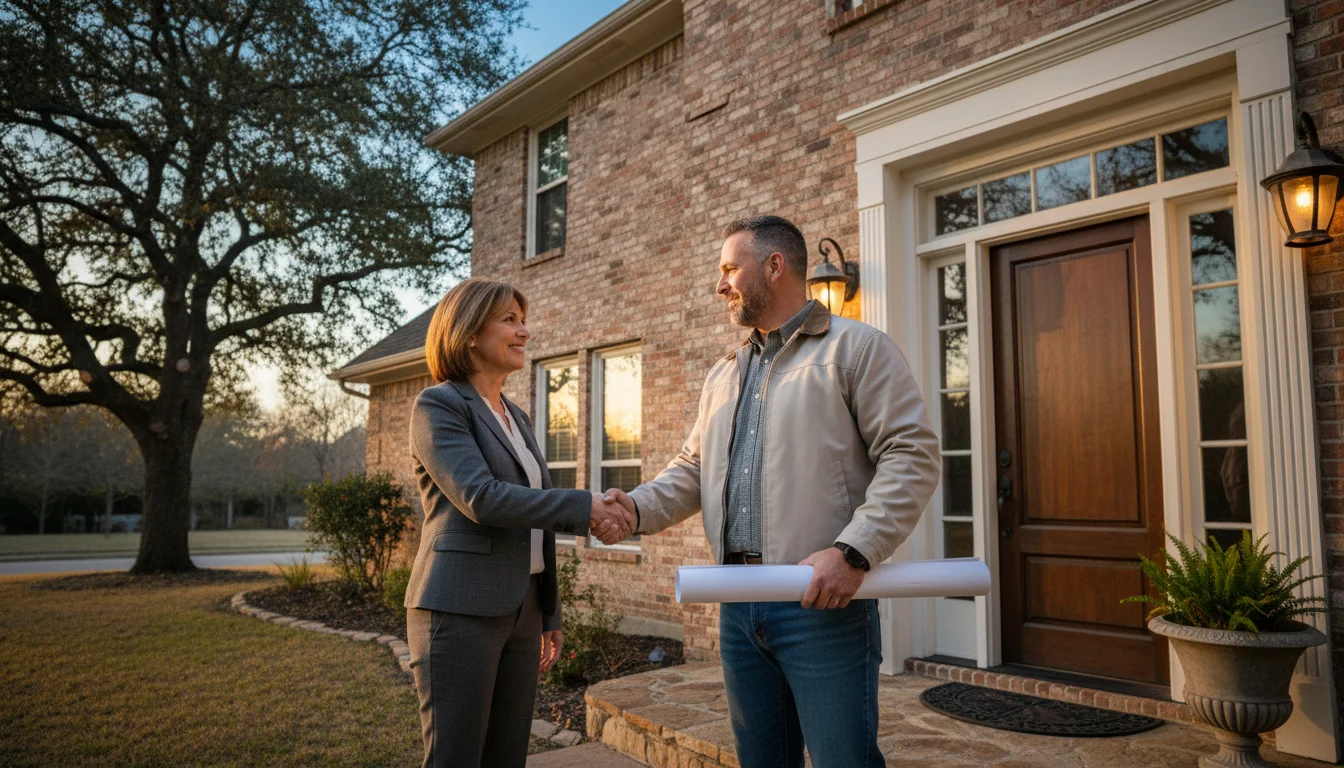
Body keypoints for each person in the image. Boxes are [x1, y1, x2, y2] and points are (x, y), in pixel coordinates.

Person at [604, 216, 941, 768]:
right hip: (738, 605)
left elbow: (912, 455)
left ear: (774, 266)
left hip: (822, 605)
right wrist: (634, 510)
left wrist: (853, 552)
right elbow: (694, 468)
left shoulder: (858, 349)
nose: (720, 285)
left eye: (729, 269)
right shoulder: (724, 373)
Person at [405, 277, 636, 768]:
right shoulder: (439, 406)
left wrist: (548, 612)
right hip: (459, 608)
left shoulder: (517, 417)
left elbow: (535, 514)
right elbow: (482, 499)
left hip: (523, 610)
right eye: (509, 319)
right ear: (469, 332)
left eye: (522, 319)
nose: (524, 331)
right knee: (456, 757)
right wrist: (586, 505)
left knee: (507, 756)